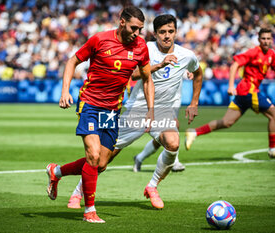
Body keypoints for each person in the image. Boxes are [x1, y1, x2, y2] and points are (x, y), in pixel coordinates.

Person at [67, 14, 203, 210]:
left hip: (162, 113)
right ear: (154, 34)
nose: (167, 36)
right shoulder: (143, 47)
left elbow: (198, 72)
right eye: (162, 32)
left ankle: (152, 186)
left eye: (171, 31)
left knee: (173, 143)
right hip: (135, 111)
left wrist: (194, 102)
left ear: (176, 32)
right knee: (103, 160)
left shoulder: (187, 55)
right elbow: (133, 74)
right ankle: (78, 192)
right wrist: (160, 64)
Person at [46, 6, 155, 223]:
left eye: (141, 29)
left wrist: (151, 110)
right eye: (134, 28)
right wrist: (65, 91)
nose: (137, 33)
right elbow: (72, 61)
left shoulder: (141, 46)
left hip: (113, 109)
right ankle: (89, 211)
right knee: (93, 155)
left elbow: (147, 78)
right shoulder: (99, 40)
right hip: (90, 104)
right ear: (121, 21)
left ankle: (56, 172)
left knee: (100, 163)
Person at [185, 27, 275, 158]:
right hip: (249, 91)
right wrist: (231, 85)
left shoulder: (271, 55)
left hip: (243, 93)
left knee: (226, 122)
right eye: (263, 38)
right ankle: (273, 149)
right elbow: (235, 64)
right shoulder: (253, 52)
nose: (265, 41)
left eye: (268, 38)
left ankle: (194, 132)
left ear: (272, 40)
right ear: (258, 40)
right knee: (274, 115)